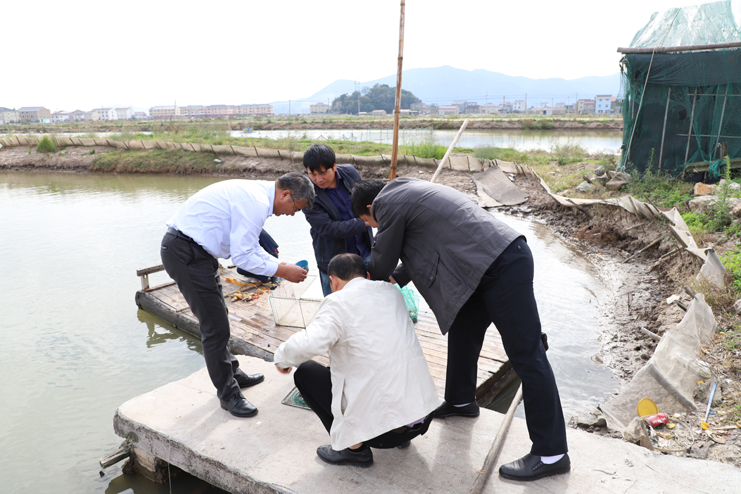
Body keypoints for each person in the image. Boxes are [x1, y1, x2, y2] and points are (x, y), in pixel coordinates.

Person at [350, 178, 570, 481]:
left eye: (367, 221)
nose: (372, 226)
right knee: (463, 331)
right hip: (480, 268)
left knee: (527, 356)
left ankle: (551, 453)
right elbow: (420, 252)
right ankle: (461, 401)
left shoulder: (387, 204)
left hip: (502, 266)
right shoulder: (405, 192)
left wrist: (357, 277)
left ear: (371, 207)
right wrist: (395, 278)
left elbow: (381, 263)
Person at [160, 173, 315, 418]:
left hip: (198, 253)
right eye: (295, 208)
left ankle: (233, 373)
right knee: (214, 327)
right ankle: (228, 394)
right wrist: (282, 270)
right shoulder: (256, 203)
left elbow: (250, 248)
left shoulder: (257, 196)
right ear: (285, 194)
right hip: (186, 253)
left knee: (219, 316)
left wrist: (280, 264)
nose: (292, 214)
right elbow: (243, 258)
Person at [273, 253, 439, 468]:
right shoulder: (392, 293)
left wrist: (282, 359)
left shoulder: (337, 302)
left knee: (306, 372)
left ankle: (354, 450)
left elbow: (308, 343)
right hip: (424, 415)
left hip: (384, 434)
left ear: (332, 281)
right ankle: (402, 431)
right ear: (367, 276)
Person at [302, 144, 373, 296]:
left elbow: (366, 198)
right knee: (336, 304)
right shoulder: (307, 194)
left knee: (369, 300)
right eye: (312, 174)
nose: (318, 179)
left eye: (323, 173)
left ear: (334, 167)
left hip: (365, 253)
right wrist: (366, 222)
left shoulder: (350, 173)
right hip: (333, 263)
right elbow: (329, 229)